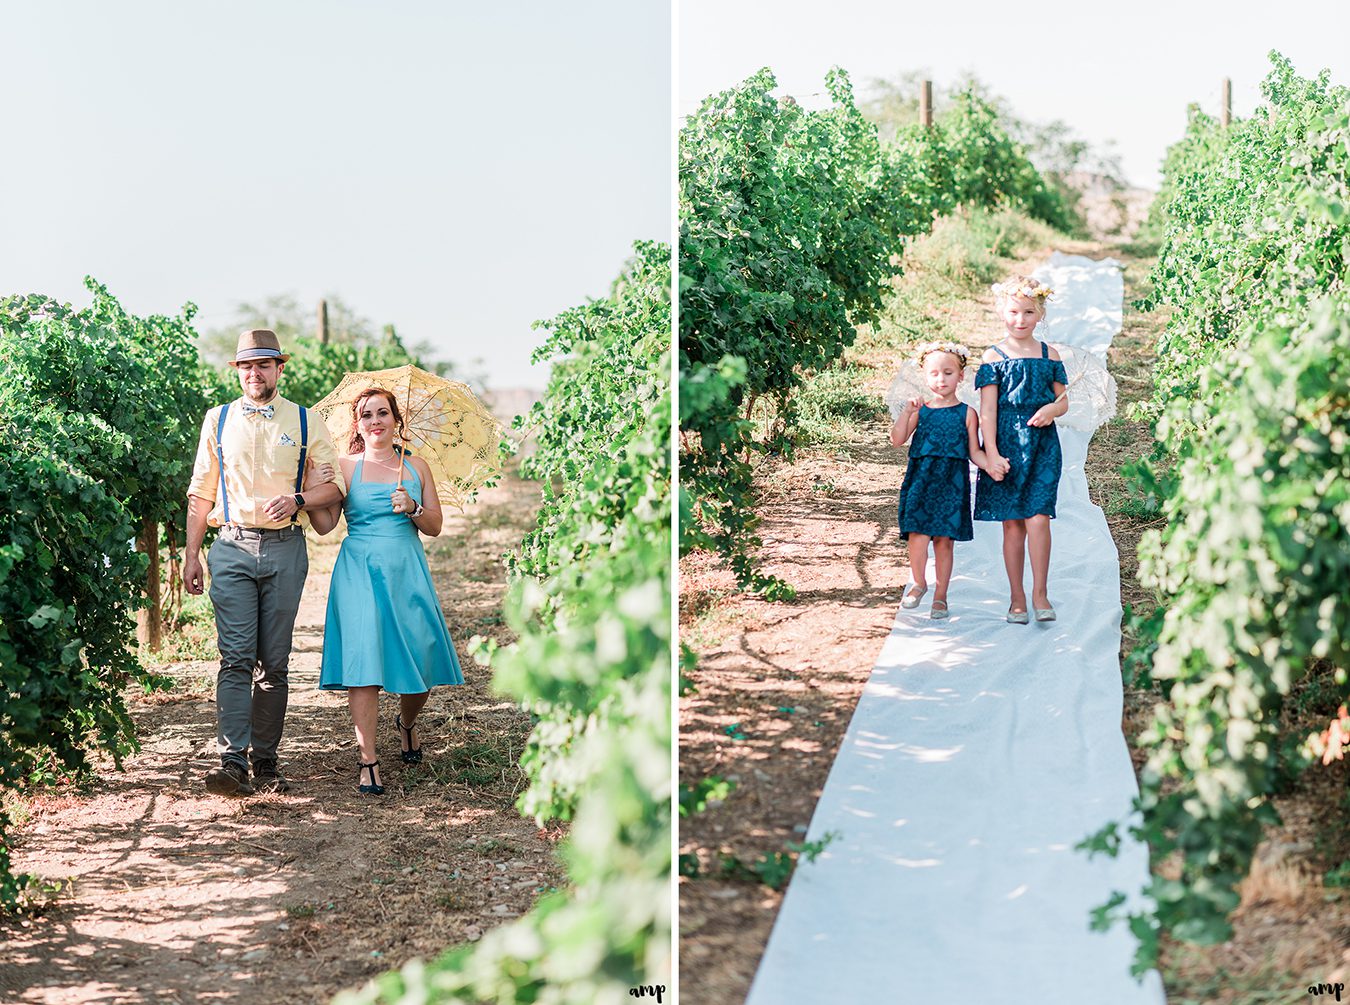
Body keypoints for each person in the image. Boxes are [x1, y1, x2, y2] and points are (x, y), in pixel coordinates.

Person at [184, 329, 345, 796]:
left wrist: (297, 497)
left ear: (279, 368)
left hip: (285, 549)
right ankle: (232, 762)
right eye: (246, 366)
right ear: (238, 371)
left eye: (264, 364)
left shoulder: (305, 421)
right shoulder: (217, 420)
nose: (255, 373)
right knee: (234, 658)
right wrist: (192, 554)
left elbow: (333, 489)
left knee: (273, 662)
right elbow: (201, 491)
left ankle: (267, 761)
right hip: (231, 548)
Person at [307, 387, 463, 795]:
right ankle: (369, 761)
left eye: (382, 413)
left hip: (406, 570)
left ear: (396, 420)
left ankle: (407, 723)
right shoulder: (346, 466)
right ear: (357, 424)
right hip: (359, 570)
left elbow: (434, 526)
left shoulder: (418, 468)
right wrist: (312, 485)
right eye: (366, 415)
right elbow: (325, 526)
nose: (375, 421)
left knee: (422, 658)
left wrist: (412, 507)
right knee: (365, 664)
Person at [973, 276, 1069, 623]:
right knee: (1013, 524)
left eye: (1029, 312)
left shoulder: (1049, 354)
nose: (1020, 319)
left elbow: (1063, 402)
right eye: (1014, 312)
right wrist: (991, 455)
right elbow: (987, 411)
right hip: (1007, 445)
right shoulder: (993, 357)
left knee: (1039, 518)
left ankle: (1040, 593)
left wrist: (1050, 410)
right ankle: (1016, 597)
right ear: (1002, 312)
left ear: (1040, 314)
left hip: (1042, 445)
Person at [891, 341, 1004, 619]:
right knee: (917, 535)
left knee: (944, 540)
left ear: (961, 376)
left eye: (948, 373)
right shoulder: (921, 409)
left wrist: (990, 465)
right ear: (925, 376)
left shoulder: (967, 413)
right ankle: (919, 583)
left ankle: (941, 595)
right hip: (921, 479)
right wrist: (906, 413)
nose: (941, 379)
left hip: (952, 484)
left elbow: (974, 452)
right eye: (934, 374)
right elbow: (896, 440)